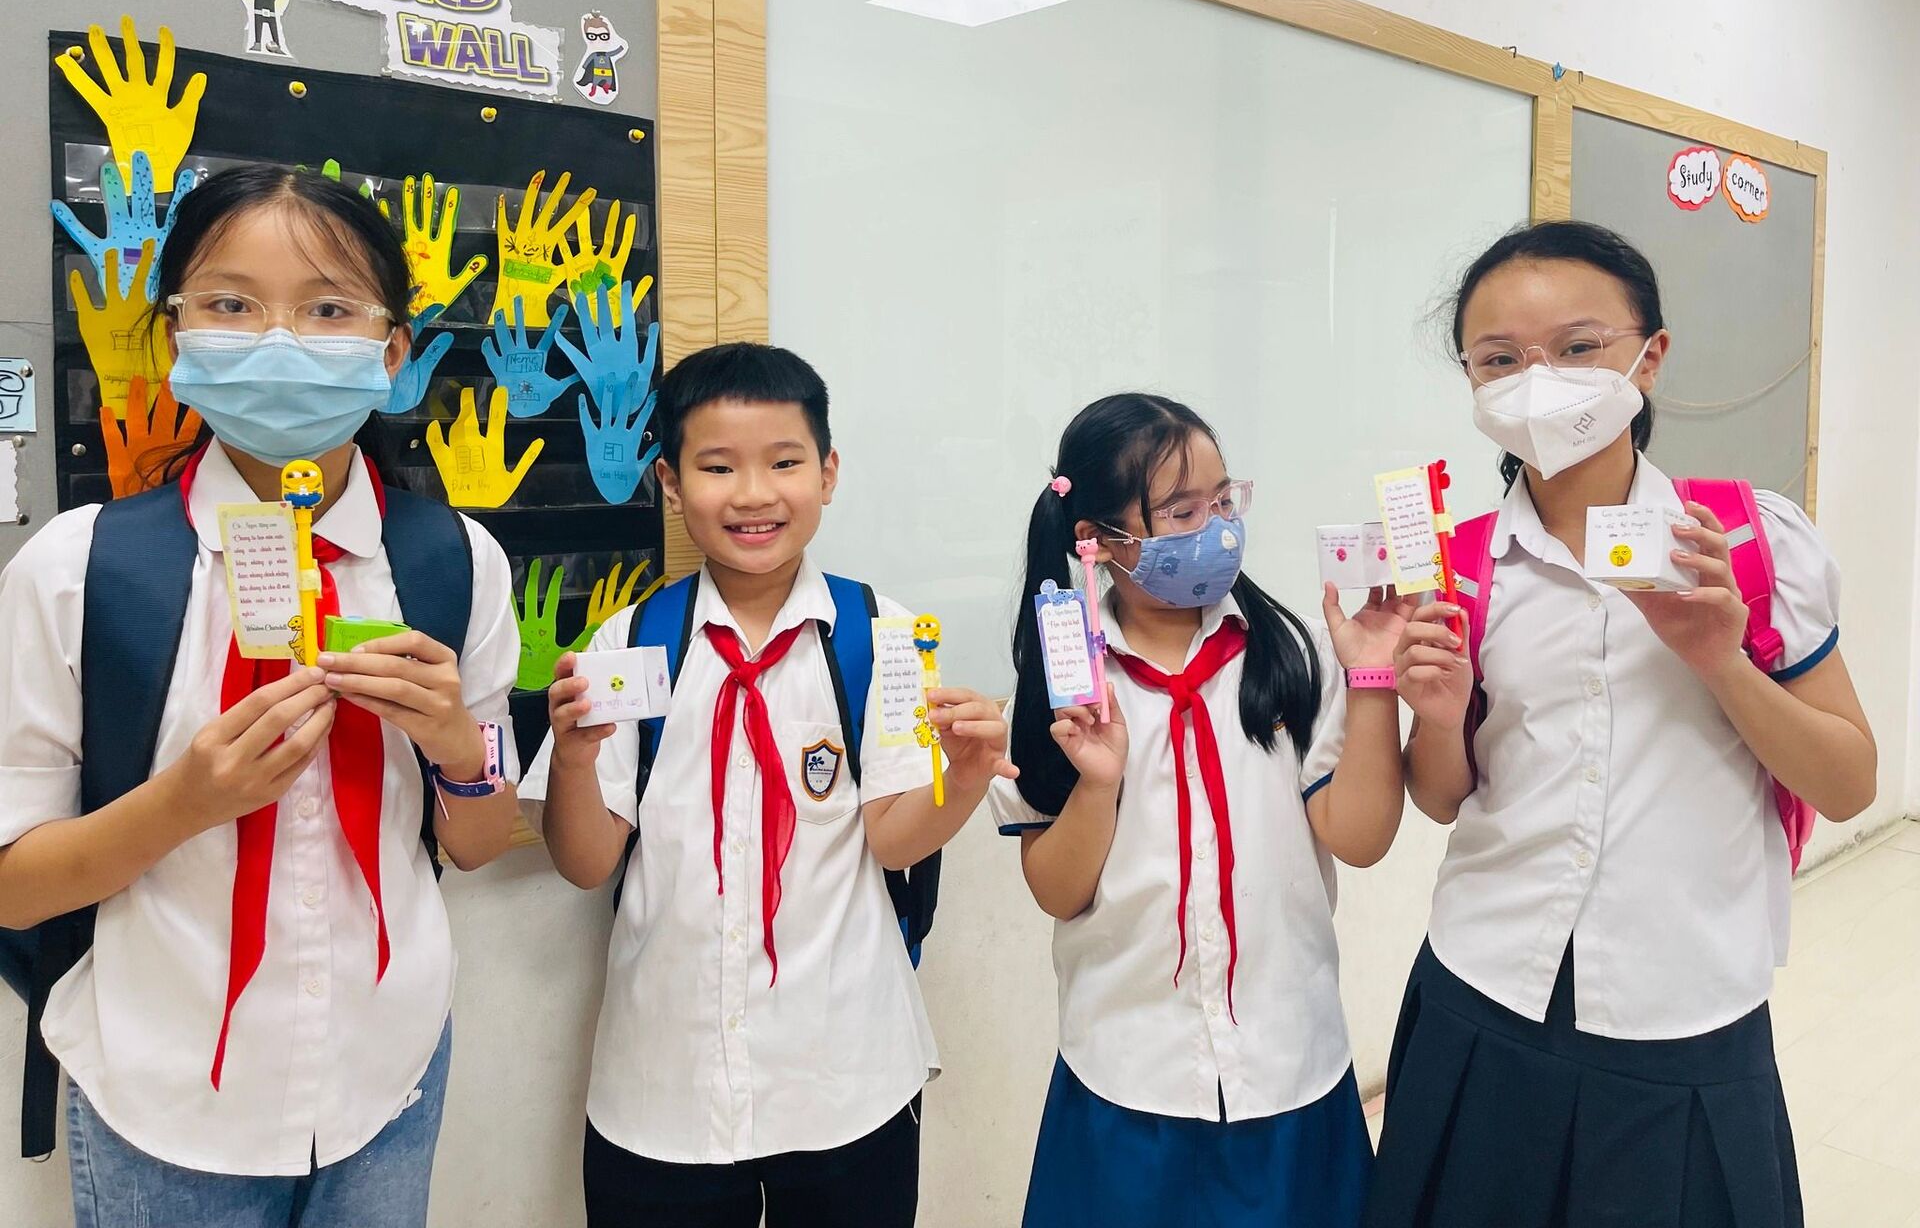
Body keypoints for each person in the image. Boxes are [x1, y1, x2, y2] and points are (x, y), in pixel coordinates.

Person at [0, 165, 524, 1226]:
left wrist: (462, 751)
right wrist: (183, 804)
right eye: (232, 304)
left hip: (387, 1079)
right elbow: (13, 889)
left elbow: (478, 840)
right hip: (162, 1096)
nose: (279, 342)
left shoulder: (458, 562)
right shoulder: (76, 569)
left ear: (392, 353)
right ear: (177, 336)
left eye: (328, 310)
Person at [1365, 221, 1876, 1228]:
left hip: (1683, 1011)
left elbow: (1849, 782)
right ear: (1470, 379)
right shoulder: (1460, 566)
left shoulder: (1747, 543)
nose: (1538, 382)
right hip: (1485, 990)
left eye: (1577, 347)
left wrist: (1719, 659)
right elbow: (1443, 798)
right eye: (1500, 360)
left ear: (1651, 355)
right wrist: (1435, 715)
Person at [522, 343, 1015, 1228]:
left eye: (784, 463)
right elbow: (587, 864)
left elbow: (892, 840)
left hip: (846, 1079)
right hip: (663, 1088)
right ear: (671, 484)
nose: (753, 493)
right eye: (718, 467)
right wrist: (573, 759)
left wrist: (969, 775)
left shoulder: (884, 635)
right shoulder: (630, 644)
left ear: (827, 474)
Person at [994, 392, 1411, 1228]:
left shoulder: (1290, 655)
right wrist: (1099, 784)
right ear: (1098, 540)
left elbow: (1360, 840)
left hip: (1290, 1067)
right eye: (1183, 512)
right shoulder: (1066, 685)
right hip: (1127, 1077)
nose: (1218, 529)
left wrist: (1372, 679)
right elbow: (1057, 891)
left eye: (1224, 501)